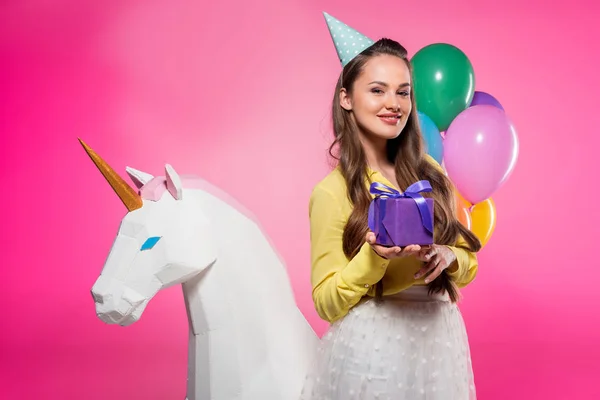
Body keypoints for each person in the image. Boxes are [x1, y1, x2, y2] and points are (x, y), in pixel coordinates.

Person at [299, 13, 482, 400]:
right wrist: (373, 257)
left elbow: (469, 263)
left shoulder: (430, 172)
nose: (394, 104)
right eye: (378, 90)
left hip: (437, 339)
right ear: (346, 98)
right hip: (374, 346)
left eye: (403, 92)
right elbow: (326, 304)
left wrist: (448, 257)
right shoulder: (332, 192)